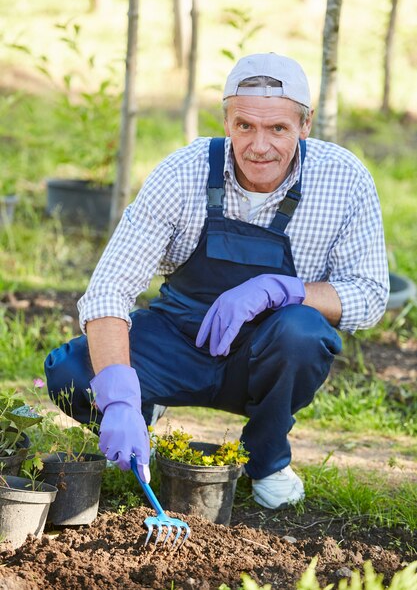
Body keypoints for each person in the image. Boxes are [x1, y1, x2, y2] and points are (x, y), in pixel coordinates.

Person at [45, 52, 389, 510]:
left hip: (264, 354)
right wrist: (119, 397)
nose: (259, 145)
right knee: (70, 371)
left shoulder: (343, 180)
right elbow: (109, 289)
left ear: (305, 126)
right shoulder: (183, 172)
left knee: (301, 333)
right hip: (179, 340)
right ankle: (140, 414)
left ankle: (266, 460)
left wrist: (282, 289)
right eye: (245, 126)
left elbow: (369, 294)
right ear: (226, 120)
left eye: (278, 129)